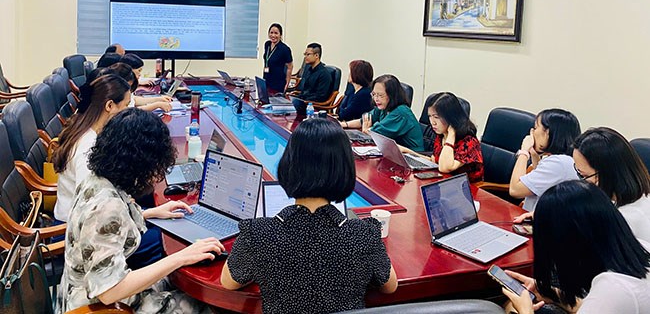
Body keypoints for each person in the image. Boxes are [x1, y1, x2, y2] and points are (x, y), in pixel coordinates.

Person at [220, 118, 398, 313]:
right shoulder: (363, 234)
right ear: (344, 169)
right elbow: (389, 286)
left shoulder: (259, 233)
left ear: (288, 165)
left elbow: (229, 282)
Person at [57, 109, 224, 314]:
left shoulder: (97, 179)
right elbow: (109, 292)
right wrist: (181, 256)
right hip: (100, 306)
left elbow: (104, 228)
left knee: (176, 275)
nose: (156, 175)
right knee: (206, 305)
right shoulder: (106, 208)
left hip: (85, 289)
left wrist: (152, 213)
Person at [503, 181, 650, 314]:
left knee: (509, 307)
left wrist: (525, 311)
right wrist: (554, 295)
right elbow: (595, 306)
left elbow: (606, 302)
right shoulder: (640, 249)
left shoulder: (612, 289)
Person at [52, 74, 131, 223]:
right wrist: (143, 215)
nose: (128, 111)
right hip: (75, 228)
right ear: (109, 106)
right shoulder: (87, 148)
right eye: (126, 105)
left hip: (87, 218)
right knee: (158, 234)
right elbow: (92, 208)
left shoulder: (84, 127)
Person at [573, 127, 650, 242]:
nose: (582, 182)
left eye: (584, 175)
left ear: (607, 174)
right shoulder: (640, 197)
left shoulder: (623, 220)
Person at [509, 108, 581, 211]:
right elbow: (539, 181)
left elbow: (515, 190)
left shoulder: (558, 163)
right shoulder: (564, 160)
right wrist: (534, 154)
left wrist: (524, 152)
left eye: (535, 128)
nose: (532, 132)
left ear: (547, 133)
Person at [342, 74, 424, 152]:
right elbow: (365, 120)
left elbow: (375, 134)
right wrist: (344, 125)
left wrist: (367, 130)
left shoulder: (400, 113)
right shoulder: (384, 107)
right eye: (374, 94)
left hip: (412, 155)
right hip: (394, 152)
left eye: (380, 95)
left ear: (392, 95)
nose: (376, 99)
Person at [427, 92, 483, 182]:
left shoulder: (469, 142)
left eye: (436, 117)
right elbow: (434, 160)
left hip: (467, 187)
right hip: (445, 182)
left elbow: (444, 168)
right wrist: (409, 153)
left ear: (451, 118)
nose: (432, 122)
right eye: (430, 116)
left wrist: (452, 133)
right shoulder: (441, 135)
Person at [290, 43, 332, 114]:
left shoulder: (324, 74)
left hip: (313, 107)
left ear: (316, 56)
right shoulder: (309, 70)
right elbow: (305, 90)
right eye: (305, 54)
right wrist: (297, 98)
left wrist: (303, 100)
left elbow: (321, 96)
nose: (305, 57)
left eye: (308, 54)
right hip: (303, 102)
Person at [262, 23, 293, 93]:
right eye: (271, 32)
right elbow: (267, 60)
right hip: (266, 80)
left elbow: (290, 67)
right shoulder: (267, 44)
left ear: (280, 35)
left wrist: (287, 83)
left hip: (278, 83)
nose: (273, 35)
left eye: (276, 33)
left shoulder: (285, 49)